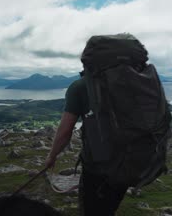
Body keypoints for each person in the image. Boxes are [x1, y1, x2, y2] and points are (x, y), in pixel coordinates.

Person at [45, 76, 128, 216]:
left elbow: (65, 130)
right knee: (110, 206)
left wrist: (52, 156)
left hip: (96, 166)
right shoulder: (132, 81)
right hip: (131, 159)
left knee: (91, 209)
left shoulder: (81, 86)